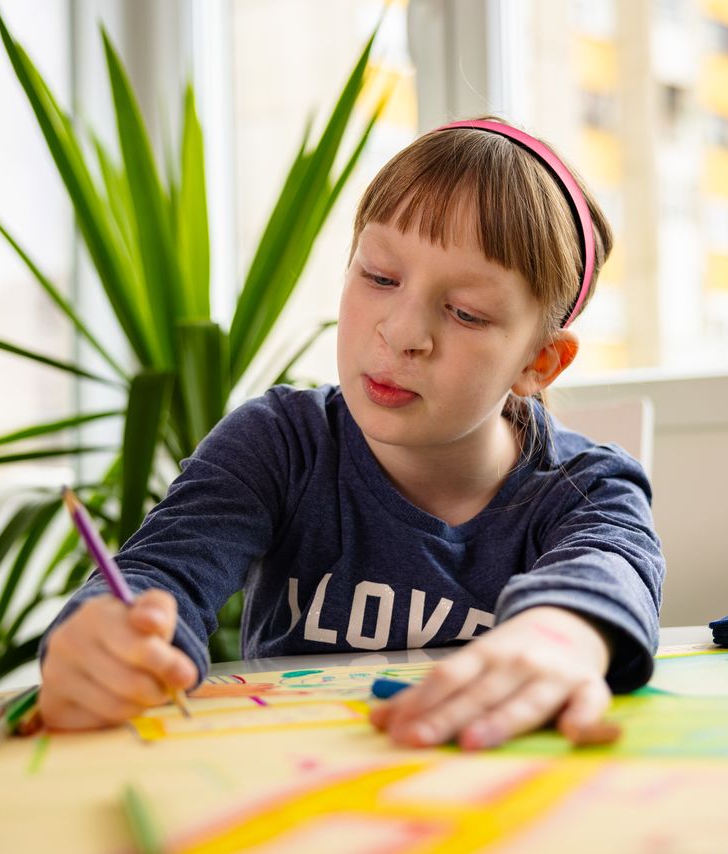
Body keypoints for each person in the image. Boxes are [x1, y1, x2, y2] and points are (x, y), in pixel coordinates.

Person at [38, 117, 665, 750]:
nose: (400, 332)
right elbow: (161, 572)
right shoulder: (278, 444)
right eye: (380, 277)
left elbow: (611, 571)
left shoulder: (591, 487)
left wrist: (558, 636)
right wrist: (115, 638)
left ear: (539, 362)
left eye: (466, 312)